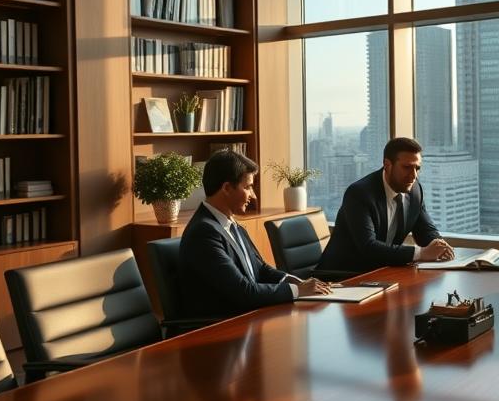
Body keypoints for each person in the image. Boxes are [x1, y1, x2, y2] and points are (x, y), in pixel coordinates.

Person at [179, 150, 330, 319]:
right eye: (248, 187)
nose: (254, 195)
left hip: (248, 318)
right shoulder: (204, 233)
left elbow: (261, 270)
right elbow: (243, 292)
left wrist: (297, 282)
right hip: (221, 328)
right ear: (227, 188)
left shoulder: (232, 225)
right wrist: (297, 291)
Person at [317, 137, 455, 274]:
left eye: (417, 168)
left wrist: (440, 246)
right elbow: (369, 247)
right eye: (407, 167)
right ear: (387, 165)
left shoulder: (415, 190)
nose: (413, 176)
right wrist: (421, 253)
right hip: (343, 276)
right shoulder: (359, 194)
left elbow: (426, 230)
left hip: (384, 272)